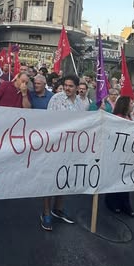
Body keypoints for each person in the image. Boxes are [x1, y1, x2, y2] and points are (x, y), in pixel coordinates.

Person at [41, 75, 82, 231]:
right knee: (50, 179)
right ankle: (46, 213)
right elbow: (48, 120)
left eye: (70, 86)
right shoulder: (56, 99)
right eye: (65, 85)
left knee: (64, 177)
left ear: (77, 87)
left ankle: (58, 209)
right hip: (55, 145)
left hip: (70, 147)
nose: (67, 88)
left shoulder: (79, 103)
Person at [105, 96, 134, 217]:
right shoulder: (117, 118)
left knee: (125, 179)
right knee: (116, 178)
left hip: (127, 153)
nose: (133, 105)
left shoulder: (129, 117)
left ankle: (125, 203)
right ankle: (111, 202)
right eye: (131, 103)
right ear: (125, 105)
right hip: (117, 154)